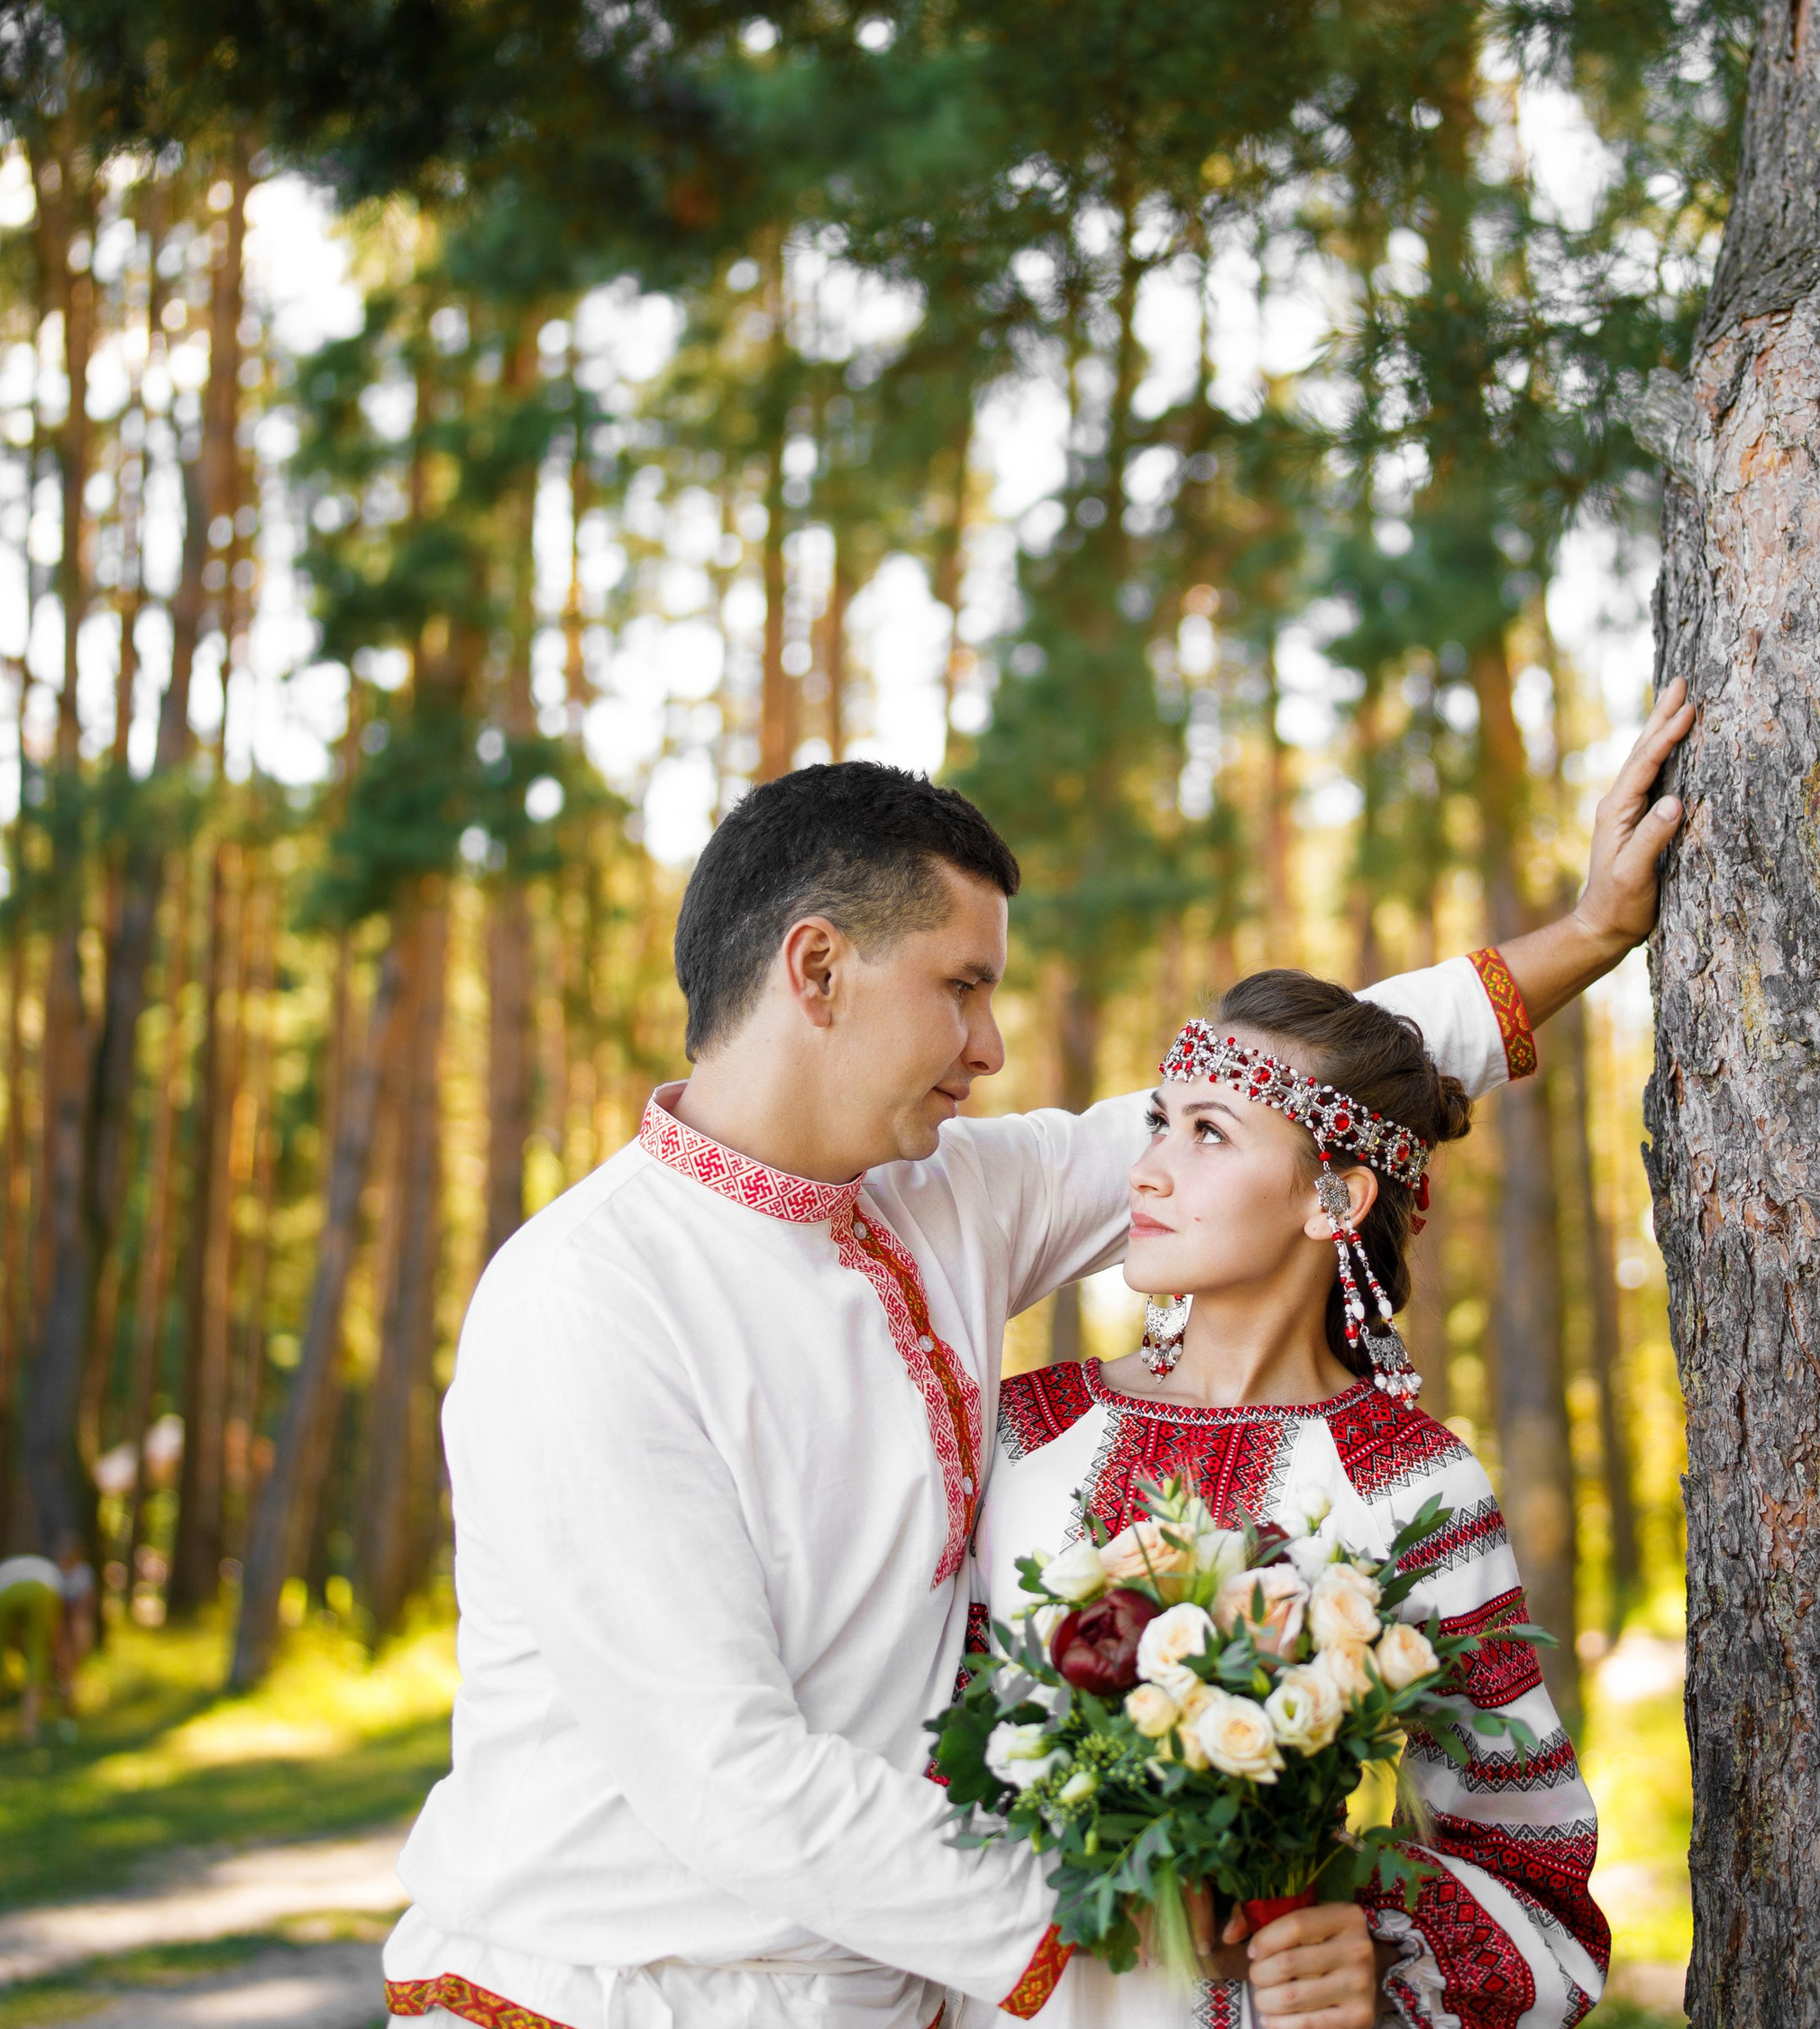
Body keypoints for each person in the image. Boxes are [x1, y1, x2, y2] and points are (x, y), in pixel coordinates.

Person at [381, 681, 1693, 2029]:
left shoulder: (939, 1195)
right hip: (607, 1999)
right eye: (963, 988)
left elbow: (1290, 1100)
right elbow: (728, 1775)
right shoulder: (590, 1301)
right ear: (816, 968)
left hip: (889, 1999)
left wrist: (1587, 936)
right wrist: (1132, 1944)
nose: (991, 1046)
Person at [960, 972, 1607, 2029]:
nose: (1149, 1172)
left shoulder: (1413, 1480)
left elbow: (1529, 1863)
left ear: (1332, 1197)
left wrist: (1364, 1946)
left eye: (1207, 1134)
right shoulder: (1019, 1432)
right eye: (1158, 1124)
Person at [0, 1539, 94, 1744]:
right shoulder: (55, 1578)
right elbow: (56, 1632)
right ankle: (28, 1730)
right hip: (42, 1592)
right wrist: (59, 1658)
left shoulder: (19, 1566)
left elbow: (15, 1635)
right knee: (37, 1659)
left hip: (3, 1591)